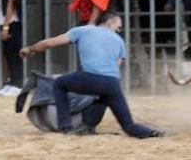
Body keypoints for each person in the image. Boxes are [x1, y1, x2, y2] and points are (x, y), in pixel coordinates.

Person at [19, 11, 170, 137]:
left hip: (91, 78)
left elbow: (49, 43)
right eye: (118, 26)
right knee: (129, 126)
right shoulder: (119, 40)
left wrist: (30, 49)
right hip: (112, 84)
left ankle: (66, 127)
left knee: (59, 84)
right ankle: (152, 133)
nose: (119, 30)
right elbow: (116, 66)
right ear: (109, 22)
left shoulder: (83, 30)